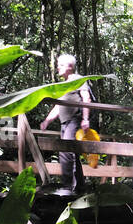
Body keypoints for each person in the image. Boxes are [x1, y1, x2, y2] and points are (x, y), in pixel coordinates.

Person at [39, 53, 94, 196]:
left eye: (61, 65)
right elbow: (58, 107)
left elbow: (86, 98)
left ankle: (67, 186)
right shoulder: (63, 84)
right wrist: (47, 121)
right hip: (65, 122)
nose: (58, 67)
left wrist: (85, 118)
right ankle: (80, 188)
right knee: (72, 153)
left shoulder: (78, 79)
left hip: (74, 120)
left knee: (65, 150)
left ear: (70, 66)